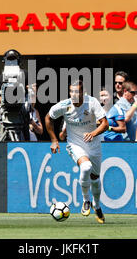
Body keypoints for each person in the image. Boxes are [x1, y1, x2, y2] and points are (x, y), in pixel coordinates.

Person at [45, 80, 108, 224]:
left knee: (95, 179)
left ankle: (97, 206)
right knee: (86, 167)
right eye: (71, 92)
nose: (73, 95)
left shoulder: (92, 103)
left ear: (82, 93)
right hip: (75, 144)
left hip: (94, 144)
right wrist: (54, 140)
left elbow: (105, 124)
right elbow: (48, 118)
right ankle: (86, 200)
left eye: (77, 92)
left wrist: (93, 133)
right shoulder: (64, 105)